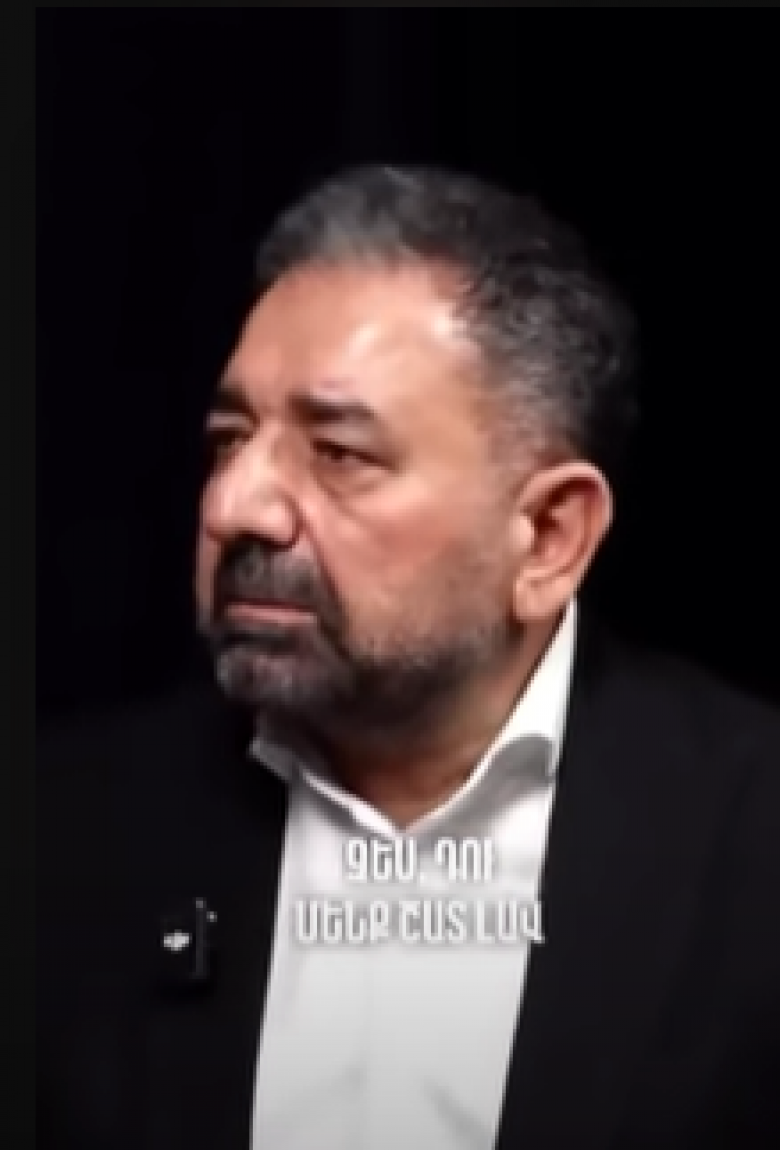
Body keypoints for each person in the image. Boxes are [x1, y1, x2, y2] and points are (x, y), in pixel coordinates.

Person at [38, 166, 780, 1150]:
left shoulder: (750, 847)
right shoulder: (57, 832)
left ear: (549, 538)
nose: (233, 506)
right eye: (228, 439)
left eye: (339, 453)